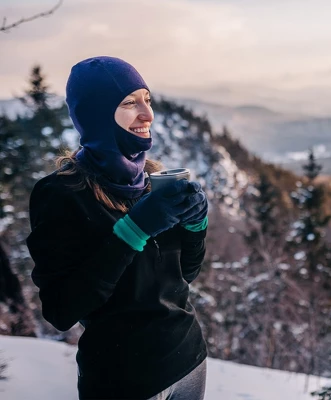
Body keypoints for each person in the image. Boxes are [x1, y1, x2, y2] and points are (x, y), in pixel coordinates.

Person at [26, 56, 209, 400]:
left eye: (147, 99)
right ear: (96, 115)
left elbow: (186, 273)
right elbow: (61, 310)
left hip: (189, 359)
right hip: (124, 378)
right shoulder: (61, 194)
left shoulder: (153, 181)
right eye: (129, 103)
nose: (147, 113)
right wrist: (134, 230)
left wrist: (196, 223)